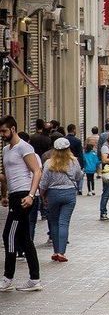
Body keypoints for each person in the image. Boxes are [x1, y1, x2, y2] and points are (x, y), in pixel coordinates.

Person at [0, 115, 42, 292]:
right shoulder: (5, 150)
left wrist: (31, 195)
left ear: (13, 129)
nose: (2, 134)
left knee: (8, 235)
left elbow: (37, 171)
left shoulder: (24, 147)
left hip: (24, 196)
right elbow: (6, 175)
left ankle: (7, 277)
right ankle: (34, 279)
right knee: (25, 239)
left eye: (4, 131)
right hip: (14, 195)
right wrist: (4, 194)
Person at [39, 138, 83, 262]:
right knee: (64, 222)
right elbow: (79, 176)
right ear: (68, 149)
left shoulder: (48, 163)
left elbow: (43, 183)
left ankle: (56, 251)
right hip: (69, 194)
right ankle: (62, 252)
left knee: (54, 222)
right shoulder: (74, 161)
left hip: (53, 194)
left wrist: (42, 195)